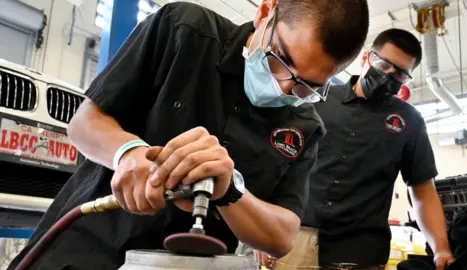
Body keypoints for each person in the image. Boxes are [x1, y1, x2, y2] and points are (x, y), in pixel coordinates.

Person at [8, 1, 370, 269]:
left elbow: (282, 236)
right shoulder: (184, 30)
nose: (283, 86)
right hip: (86, 250)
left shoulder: (306, 126)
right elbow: (84, 122)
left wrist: (231, 192)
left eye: (307, 86)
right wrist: (129, 153)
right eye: (280, 60)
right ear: (266, 12)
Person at [254, 29, 455, 270]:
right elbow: (277, 162)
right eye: (384, 64)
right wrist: (261, 227)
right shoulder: (317, 98)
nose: (389, 75)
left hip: (359, 252)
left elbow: (423, 191)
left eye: (400, 74)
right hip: (295, 239)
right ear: (366, 58)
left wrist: (440, 247)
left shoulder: (409, 122)